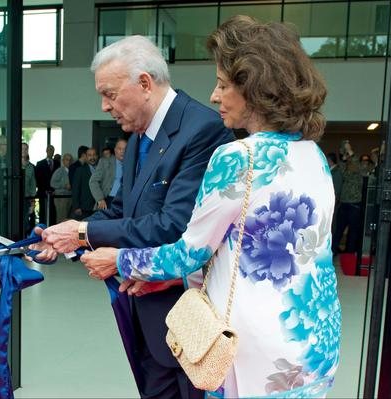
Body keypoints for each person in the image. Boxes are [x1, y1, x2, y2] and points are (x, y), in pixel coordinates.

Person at [81, 16, 341, 398]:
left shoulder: (237, 157)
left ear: (254, 90)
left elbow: (189, 253)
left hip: (251, 348)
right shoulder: (313, 155)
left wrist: (118, 260)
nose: (214, 96)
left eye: (222, 84)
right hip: (313, 337)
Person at [36, 35, 233, 399]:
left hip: (186, 320)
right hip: (145, 314)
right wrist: (62, 235)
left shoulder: (202, 130)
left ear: (144, 83)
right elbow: (123, 210)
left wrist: (82, 232)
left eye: (110, 94)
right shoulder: (141, 135)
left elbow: (173, 225)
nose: (104, 106)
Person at [90, 138, 126, 210]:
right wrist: (100, 199)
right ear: (115, 150)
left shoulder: (133, 164)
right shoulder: (104, 162)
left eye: (125, 149)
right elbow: (93, 181)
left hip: (125, 202)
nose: (122, 151)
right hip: (108, 200)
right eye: (119, 149)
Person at [70, 147, 97, 220]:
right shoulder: (80, 170)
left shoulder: (101, 170)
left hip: (98, 207)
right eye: (90, 155)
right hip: (84, 208)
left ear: (97, 156)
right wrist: (76, 207)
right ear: (86, 157)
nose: (92, 157)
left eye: (94, 155)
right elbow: (75, 189)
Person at [51, 153, 73, 223]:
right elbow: (52, 183)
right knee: (61, 218)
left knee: (68, 219)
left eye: (70, 160)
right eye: (67, 160)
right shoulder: (59, 171)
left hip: (70, 197)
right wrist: (64, 185)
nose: (69, 162)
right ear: (63, 161)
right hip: (61, 198)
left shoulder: (73, 171)